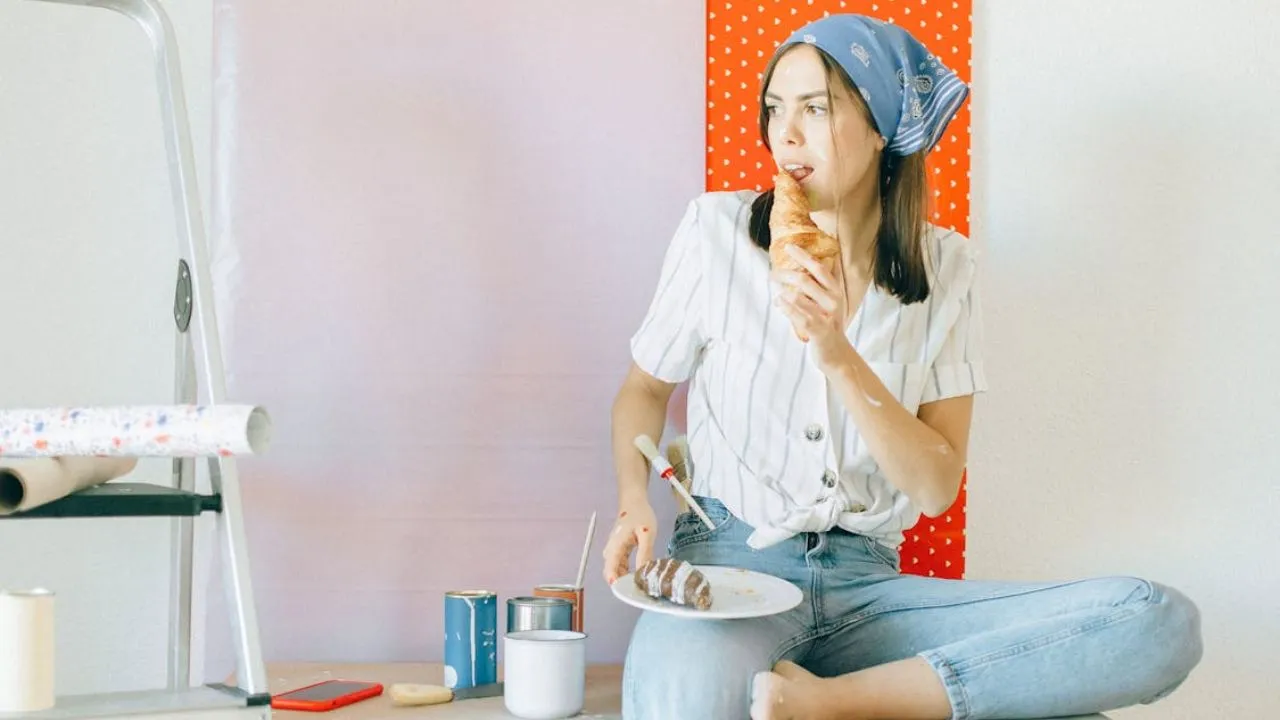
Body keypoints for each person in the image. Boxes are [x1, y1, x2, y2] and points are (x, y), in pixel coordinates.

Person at [602, 13, 1203, 720]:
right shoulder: (717, 233)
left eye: (814, 108)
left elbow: (936, 485)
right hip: (729, 572)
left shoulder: (947, 269)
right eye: (774, 108)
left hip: (872, 596)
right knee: (682, 699)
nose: (784, 133)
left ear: (881, 126)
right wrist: (633, 497)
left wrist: (837, 354)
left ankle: (832, 702)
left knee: (1156, 621)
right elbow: (644, 390)